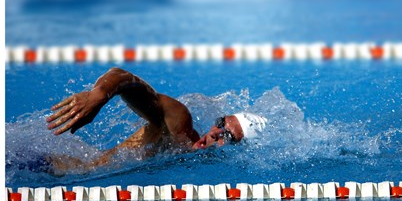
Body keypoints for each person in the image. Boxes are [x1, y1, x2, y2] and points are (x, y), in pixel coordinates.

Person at [46, 67, 267, 170]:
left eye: (227, 136)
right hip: (55, 169)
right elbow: (122, 76)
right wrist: (100, 95)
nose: (214, 133)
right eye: (220, 123)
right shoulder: (179, 126)